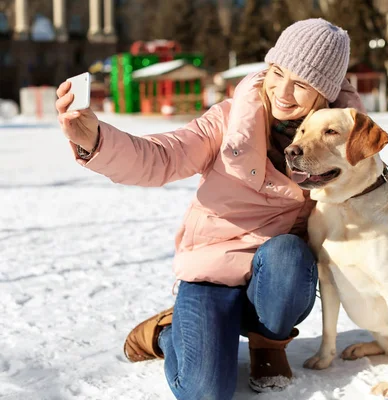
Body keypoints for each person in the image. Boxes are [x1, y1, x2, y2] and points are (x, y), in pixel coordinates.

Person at [55, 18, 365, 400]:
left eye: (301, 84)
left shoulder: (343, 139)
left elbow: (369, 205)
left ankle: (268, 343)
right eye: (277, 72)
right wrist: (97, 140)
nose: (283, 92)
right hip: (212, 271)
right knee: (204, 391)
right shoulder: (229, 119)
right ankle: (169, 333)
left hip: (277, 279)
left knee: (288, 252)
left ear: (326, 92)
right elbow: (162, 156)